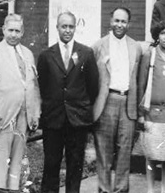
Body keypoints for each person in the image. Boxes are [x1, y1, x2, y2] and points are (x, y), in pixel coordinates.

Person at [0, 13, 41, 190]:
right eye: (10, 30)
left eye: (17, 31)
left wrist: (34, 114)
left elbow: (33, 86)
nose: (13, 34)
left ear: (23, 32)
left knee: (17, 164)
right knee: (0, 164)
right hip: (3, 118)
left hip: (23, 117)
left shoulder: (28, 54)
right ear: (3, 30)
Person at [37, 12, 98, 193]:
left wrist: (81, 109)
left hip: (77, 120)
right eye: (64, 26)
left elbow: (92, 87)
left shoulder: (86, 53)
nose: (67, 30)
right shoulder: (46, 55)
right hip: (53, 120)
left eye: (71, 27)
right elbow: (43, 86)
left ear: (75, 28)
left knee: (75, 165)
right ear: (57, 28)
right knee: (51, 164)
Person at [92, 7, 143, 193]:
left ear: (128, 24)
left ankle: (121, 190)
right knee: (104, 151)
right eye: (117, 21)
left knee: (124, 152)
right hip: (107, 102)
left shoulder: (136, 47)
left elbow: (139, 79)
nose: (120, 25)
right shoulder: (99, 46)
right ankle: (104, 190)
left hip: (127, 102)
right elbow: (92, 79)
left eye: (123, 21)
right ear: (111, 21)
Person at [137, 25, 165, 193]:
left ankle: (163, 189)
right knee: (151, 155)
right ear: (157, 36)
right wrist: (141, 114)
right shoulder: (150, 54)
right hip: (152, 113)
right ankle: (150, 189)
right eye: (163, 33)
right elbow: (141, 85)